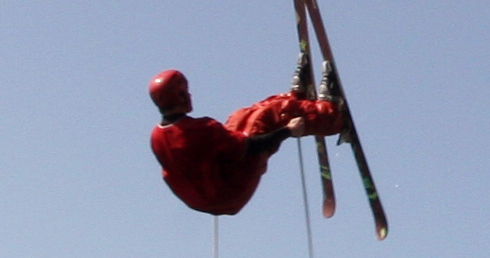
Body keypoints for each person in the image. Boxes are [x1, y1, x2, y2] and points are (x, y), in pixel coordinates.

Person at [147, 70, 345, 217]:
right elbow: (251, 146)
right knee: (266, 117)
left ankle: (295, 99)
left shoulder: (157, 135)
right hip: (230, 190)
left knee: (240, 116)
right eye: (186, 91)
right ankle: (332, 115)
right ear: (180, 96)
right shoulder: (198, 130)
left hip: (212, 193)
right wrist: (288, 131)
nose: (189, 95)